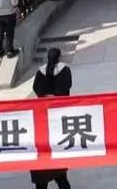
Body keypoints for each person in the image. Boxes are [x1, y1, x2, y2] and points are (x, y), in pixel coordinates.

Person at [31, 49, 73, 188]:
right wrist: (57, 97)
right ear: (60, 57)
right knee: (62, 180)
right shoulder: (64, 70)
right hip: (59, 110)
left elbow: (37, 88)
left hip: (44, 109)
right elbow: (66, 87)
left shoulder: (40, 71)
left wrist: (46, 97)